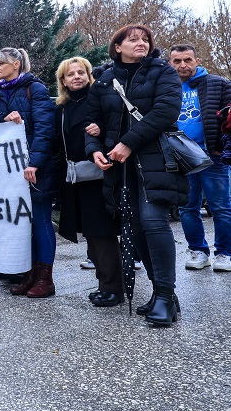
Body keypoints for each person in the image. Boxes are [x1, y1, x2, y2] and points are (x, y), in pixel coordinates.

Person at [87, 25, 188, 326]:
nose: (141, 43)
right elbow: (93, 121)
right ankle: (162, 293)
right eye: (133, 39)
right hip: (120, 166)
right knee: (136, 227)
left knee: (154, 221)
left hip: (155, 159)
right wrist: (94, 148)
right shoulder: (104, 80)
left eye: (145, 39)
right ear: (117, 46)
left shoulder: (162, 72)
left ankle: (166, 296)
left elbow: (165, 112)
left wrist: (127, 143)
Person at [0, 47, 57, 298]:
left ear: (16, 64)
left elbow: (45, 130)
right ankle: (30, 275)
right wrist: (4, 119)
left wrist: (34, 163)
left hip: (36, 169)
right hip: (11, 171)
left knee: (40, 219)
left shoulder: (35, 89)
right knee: (25, 224)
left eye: (0, 63)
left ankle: (45, 279)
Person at [53, 57, 123, 307]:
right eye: (70, 74)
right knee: (90, 234)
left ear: (89, 75)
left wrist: (101, 131)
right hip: (75, 178)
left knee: (102, 233)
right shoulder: (61, 108)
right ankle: (105, 284)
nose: (76, 77)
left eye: (81, 72)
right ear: (63, 80)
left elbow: (118, 126)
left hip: (99, 175)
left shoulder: (100, 99)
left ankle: (114, 288)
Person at [168, 44, 231, 272]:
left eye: (187, 60)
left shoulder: (218, 83)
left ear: (197, 60)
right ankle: (198, 251)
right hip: (181, 157)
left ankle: (225, 253)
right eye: (177, 61)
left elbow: (229, 117)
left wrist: (223, 147)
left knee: (221, 207)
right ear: (170, 62)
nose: (182, 65)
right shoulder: (166, 86)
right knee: (187, 208)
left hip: (211, 155)